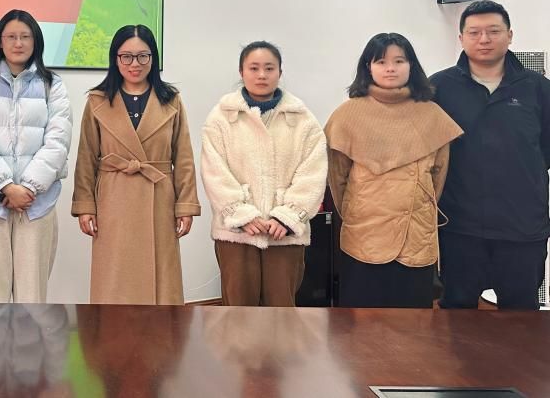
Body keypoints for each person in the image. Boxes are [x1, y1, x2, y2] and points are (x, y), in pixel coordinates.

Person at [326, 33, 462, 308]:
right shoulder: (347, 115)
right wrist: (359, 210)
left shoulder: (432, 114)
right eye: (381, 61)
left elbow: (438, 178)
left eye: (399, 61)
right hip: (364, 233)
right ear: (368, 67)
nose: (391, 68)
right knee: (361, 322)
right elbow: (337, 180)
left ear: (411, 66)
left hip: (415, 234)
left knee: (413, 323)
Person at [431, 0, 550, 310]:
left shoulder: (538, 88)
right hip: (458, 227)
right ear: (461, 38)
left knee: (521, 318)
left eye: (494, 31)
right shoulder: (439, 88)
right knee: (457, 316)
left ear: (509, 35)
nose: (484, 39)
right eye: (474, 32)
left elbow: (545, 151)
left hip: (522, 227)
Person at [71, 24, 200, 305]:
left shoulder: (171, 100)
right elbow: (86, 157)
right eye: (126, 56)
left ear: (153, 58)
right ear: (115, 59)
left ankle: (161, 333)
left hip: (159, 199)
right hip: (113, 200)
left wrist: (186, 206)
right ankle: (113, 332)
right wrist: (85, 205)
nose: (135, 64)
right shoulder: (97, 101)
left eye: (143, 56)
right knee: (115, 278)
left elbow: (184, 158)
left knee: (161, 282)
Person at [200, 41, 328, 307]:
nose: (261, 75)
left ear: (280, 72)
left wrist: (288, 217)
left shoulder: (303, 119)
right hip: (236, 233)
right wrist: (241, 214)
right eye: (254, 68)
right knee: (238, 307)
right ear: (241, 71)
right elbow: (214, 171)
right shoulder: (221, 117)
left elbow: (313, 173)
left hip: (284, 234)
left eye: (269, 68)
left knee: (282, 306)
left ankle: (281, 342)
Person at [0, 9, 72, 304]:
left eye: (25, 36)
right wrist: (4, 186)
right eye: (11, 36)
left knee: (31, 297)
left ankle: (29, 341)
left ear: (36, 42)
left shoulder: (53, 85)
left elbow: (58, 140)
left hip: (36, 203)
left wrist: (28, 188)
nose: (18, 43)